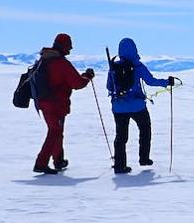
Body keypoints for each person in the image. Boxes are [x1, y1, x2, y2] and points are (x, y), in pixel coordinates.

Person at [107, 37, 175, 174]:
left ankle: (120, 165)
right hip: (137, 106)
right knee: (145, 129)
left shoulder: (113, 67)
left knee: (121, 136)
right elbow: (150, 81)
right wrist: (167, 82)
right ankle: (144, 158)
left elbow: (109, 86)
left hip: (118, 107)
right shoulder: (137, 66)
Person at [33, 33, 96, 175]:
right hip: (55, 104)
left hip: (44, 102)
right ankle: (41, 163)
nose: (70, 50)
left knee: (56, 131)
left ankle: (59, 161)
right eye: (69, 47)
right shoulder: (60, 63)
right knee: (55, 131)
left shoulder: (44, 60)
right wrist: (87, 76)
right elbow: (77, 83)